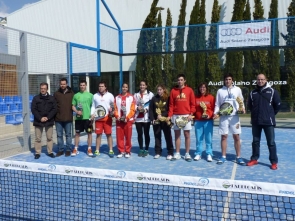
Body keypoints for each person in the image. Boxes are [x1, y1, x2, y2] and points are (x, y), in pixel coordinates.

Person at [246, 74, 281, 170]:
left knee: (271, 142)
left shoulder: (272, 91)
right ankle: (254, 159)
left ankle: (274, 162)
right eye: (258, 79)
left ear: (266, 80)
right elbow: (250, 106)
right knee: (255, 142)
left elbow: (277, 105)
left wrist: (270, 114)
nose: (260, 81)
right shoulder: (253, 93)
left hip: (268, 122)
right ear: (256, 81)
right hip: (256, 121)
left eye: (262, 79)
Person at [213, 74, 245, 165]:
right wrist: (216, 113)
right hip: (223, 117)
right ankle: (223, 156)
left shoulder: (237, 89)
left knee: (236, 137)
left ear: (232, 80)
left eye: (229, 79)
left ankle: (238, 157)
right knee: (224, 136)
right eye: (226, 79)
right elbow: (217, 104)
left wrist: (243, 108)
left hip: (234, 116)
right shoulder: (220, 91)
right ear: (224, 80)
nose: (227, 81)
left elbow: (241, 101)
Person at [167, 74, 195, 161]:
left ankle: (187, 153)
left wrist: (191, 114)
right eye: (178, 80)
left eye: (181, 80)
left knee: (187, 135)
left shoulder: (189, 90)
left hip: (186, 116)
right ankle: (178, 153)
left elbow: (193, 104)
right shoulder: (173, 91)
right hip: (176, 116)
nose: (180, 81)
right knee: (177, 135)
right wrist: (170, 115)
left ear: (184, 81)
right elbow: (171, 105)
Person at [31, 82, 57, 159]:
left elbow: (54, 109)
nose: (42, 90)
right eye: (41, 88)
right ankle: (37, 152)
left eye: (44, 89)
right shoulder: (36, 98)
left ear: (47, 89)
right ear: (40, 89)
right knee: (38, 138)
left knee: (49, 138)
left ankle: (50, 152)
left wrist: (48, 117)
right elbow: (33, 109)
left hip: (49, 121)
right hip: (38, 121)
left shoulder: (52, 98)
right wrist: (40, 118)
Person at [149, 84, 174, 160]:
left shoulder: (168, 98)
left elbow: (169, 109)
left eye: (160, 89)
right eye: (158, 90)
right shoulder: (154, 98)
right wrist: (153, 119)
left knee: (168, 136)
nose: (159, 91)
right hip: (157, 121)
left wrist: (165, 117)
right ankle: (158, 152)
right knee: (157, 136)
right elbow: (151, 110)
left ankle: (170, 152)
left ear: (164, 90)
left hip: (165, 121)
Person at [90, 82, 115, 157]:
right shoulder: (95, 96)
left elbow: (113, 106)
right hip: (98, 119)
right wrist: (92, 114)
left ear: (105, 87)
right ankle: (97, 151)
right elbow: (93, 106)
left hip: (107, 119)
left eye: (102, 86)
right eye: (99, 86)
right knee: (98, 135)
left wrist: (112, 112)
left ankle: (111, 150)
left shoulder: (110, 95)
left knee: (109, 135)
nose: (100, 87)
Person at [193, 83, 215, 162]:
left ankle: (209, 153)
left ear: (206, 88)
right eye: (200, 87)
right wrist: (192, 115)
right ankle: (198, 153)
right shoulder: (195, 98)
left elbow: (213, 109)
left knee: (208, 139)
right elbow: (193, 109)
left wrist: (209, 115)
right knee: (199, 139)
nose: (202, 89)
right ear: (199, 88)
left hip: (208, 121)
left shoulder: (211, 98)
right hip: (198, 121)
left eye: (204, 87)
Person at [71, 79, 93, 156]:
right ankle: (75, 149)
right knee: (77, 134)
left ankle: (89, 149)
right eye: (81, 85)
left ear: (86, 85)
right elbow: (73, 106)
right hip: (79, 118)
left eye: (83, 85)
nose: (82, 86)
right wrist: (77, 111)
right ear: (79, 86)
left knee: (89, 134)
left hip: (88, 119)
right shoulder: (76, 95)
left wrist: (92, 115)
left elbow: (93, 107)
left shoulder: (90, 95)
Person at [114, 83, 136, 158]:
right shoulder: (117, 97)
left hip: (128, 120)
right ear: (121, 88)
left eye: (126, 87)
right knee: (119, 136)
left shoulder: (131, 97)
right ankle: (121, 150)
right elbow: (115, 109)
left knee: (128, 136)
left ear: (128, 88)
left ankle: (128, 151)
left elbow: (132, 110)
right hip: (119, 120)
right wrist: (117, 116)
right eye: (123, 87)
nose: (124, 88)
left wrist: (127, 118)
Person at [54, 78, 74, 157]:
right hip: (58, 119)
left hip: (68, 118)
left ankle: (68, 149)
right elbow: (54, 106)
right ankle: (61, 150)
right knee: (59, 135)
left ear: (67, 84)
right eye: (61, 84)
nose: (62, 85)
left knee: (68, 135)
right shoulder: (56, 94)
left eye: (64, 84)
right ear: (60, 84)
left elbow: (74, 105)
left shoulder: (72, 94)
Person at [134, 80, 154, 157]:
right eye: (140, 85)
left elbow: (151, 104)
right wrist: (137, 107)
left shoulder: (150, 94)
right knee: (139, 134)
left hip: (146, 118)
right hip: (138, 118)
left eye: (143, 85)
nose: (142, 86)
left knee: (146, 134)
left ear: (146, 86)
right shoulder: (136, 94)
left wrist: (146, 109)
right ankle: (141, 149)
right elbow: (133, 104)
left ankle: (146, 149)